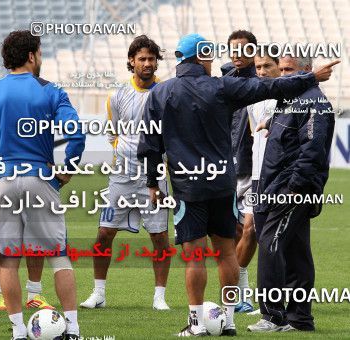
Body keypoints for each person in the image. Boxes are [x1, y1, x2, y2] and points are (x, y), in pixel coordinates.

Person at [137, 33, 338, 337]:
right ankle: (228, 320)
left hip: (187, 186)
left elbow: (150, 143)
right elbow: (270, 85)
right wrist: (310, 76)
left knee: (195, 254)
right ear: (203, 56)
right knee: (226, 254)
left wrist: (153, 182)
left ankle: (195, 325)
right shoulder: (222, 86)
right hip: (222, 183)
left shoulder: (161, 93)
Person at [0, 30, 85, 340]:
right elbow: (75, 134)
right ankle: (74, 329)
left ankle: (19, 331)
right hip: (40, 176)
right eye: (39, 53)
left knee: (8, 258)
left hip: (3, 179)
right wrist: (66, 169)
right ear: (31, 56)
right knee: (59, 255)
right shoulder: (51, 91)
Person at [80, 35, 171, 311]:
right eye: (142, 58)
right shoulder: (117, 95)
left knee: (159, 237)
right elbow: (113, 133)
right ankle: (98, 293)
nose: (147, 63)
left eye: (151, 59)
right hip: (121, 177)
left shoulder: (167, 93)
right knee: (104, 234)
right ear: (131, 61)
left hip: (154, 176)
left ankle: (159, 297)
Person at [248, 55, 336, 332]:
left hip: (291, 189)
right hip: (276, 185)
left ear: (308, 72)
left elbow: (312, 150)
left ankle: (272, 316)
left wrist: (294, 187)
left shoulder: (313, 102)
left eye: (289, 70)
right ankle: (299, 319)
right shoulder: (289, 100)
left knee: (269, 243)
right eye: (282, 70)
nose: (284, 75)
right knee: (296, 251)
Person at [239, 45, 283, 316]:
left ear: (279, 67)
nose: (263, 71)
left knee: (268, 235)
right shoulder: (253, 98)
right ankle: (245, 292)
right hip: (257, 176)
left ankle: (273, 300)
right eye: (258, 67)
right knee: (251, 229)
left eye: (268, 66)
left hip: (277, 177)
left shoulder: (287, 97)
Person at [222, 30, 257, 313]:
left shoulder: (263, 82)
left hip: (257, 167)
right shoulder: (223, 82)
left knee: (251, 228)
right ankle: (240, 293)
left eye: (243, 50)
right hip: (227, 166)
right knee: (233, 230)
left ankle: (242, 283)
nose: (237, 55)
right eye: (233, 49)